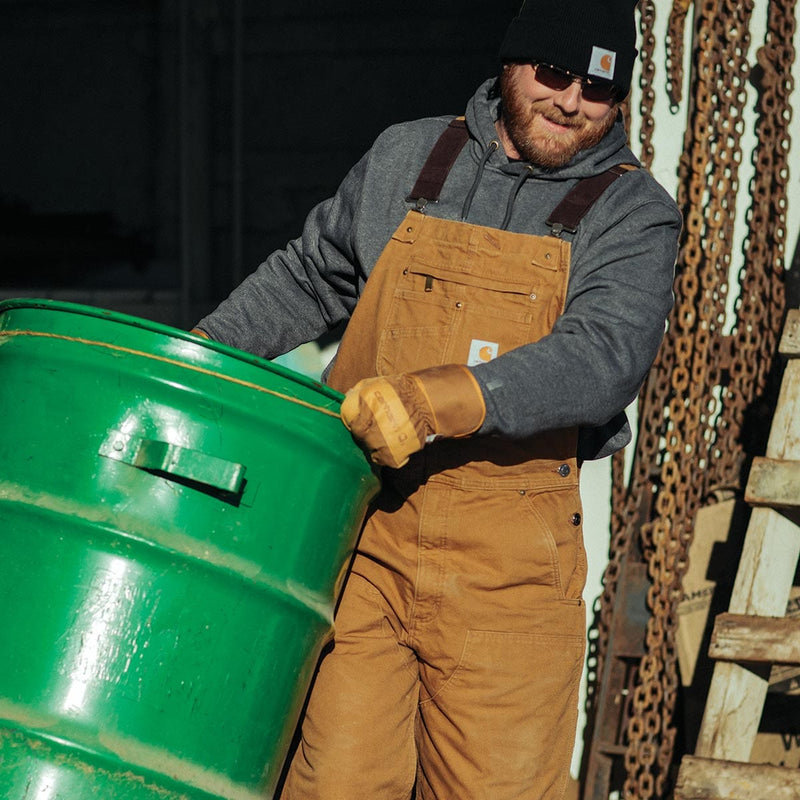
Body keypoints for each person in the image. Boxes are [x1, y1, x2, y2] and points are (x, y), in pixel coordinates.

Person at [193, 1, 681, 797]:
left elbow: (604, 356)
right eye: (553, 73)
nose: (570, 102)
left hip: (508, 576)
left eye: (598, 88)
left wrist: (435, 402)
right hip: (364, 541)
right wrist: (202, 361)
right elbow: (309, 277)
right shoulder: (406, 158)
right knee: (333, 783)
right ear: (511, 64)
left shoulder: (633, 214)